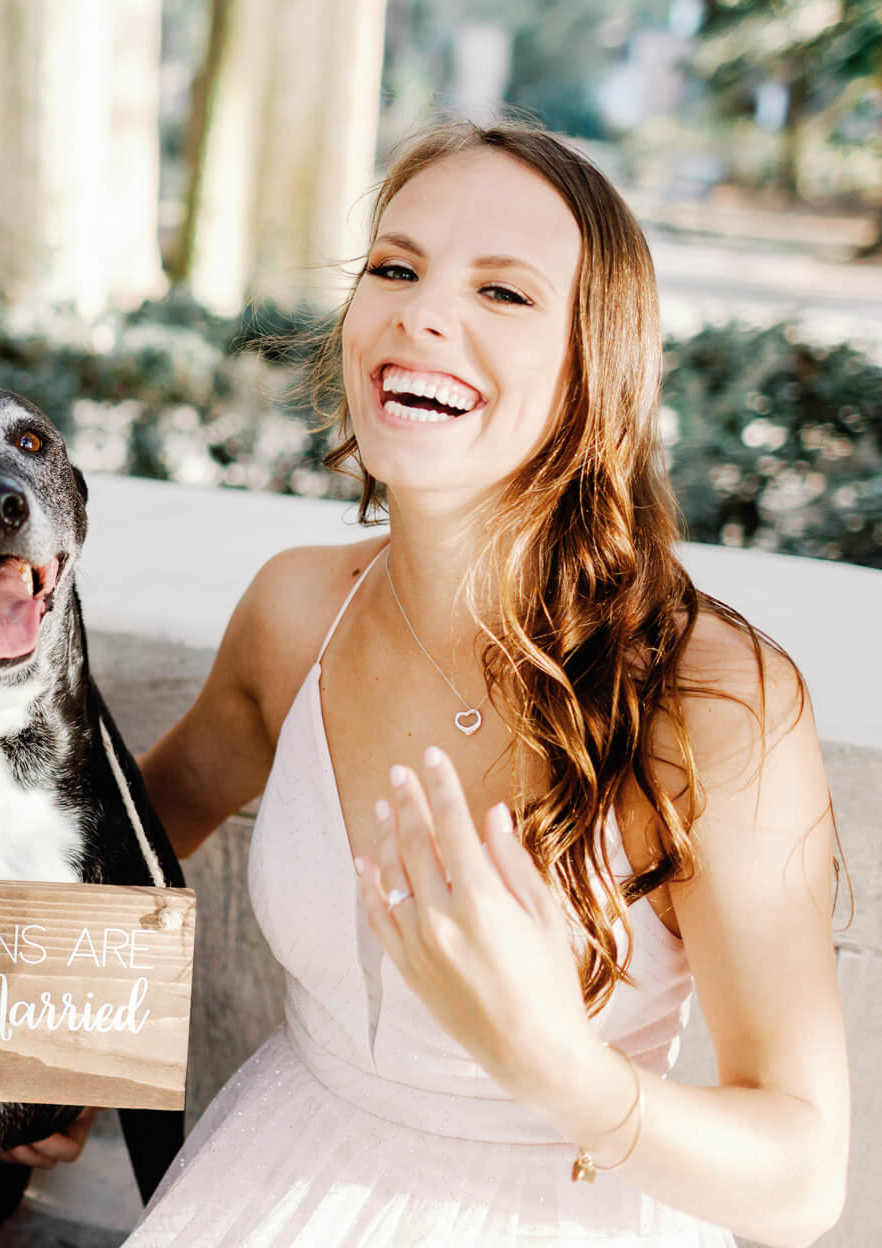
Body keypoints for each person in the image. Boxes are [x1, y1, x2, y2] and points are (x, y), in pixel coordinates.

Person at [123, 121, 849, 1247]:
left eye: (504, 293)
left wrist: (564, 1074)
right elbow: (113, 851)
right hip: (269, 1181)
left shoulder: (712, 704)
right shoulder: (295, 614)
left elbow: (805, 1180)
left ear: (592, 367)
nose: (421, 313)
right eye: (395, 269)